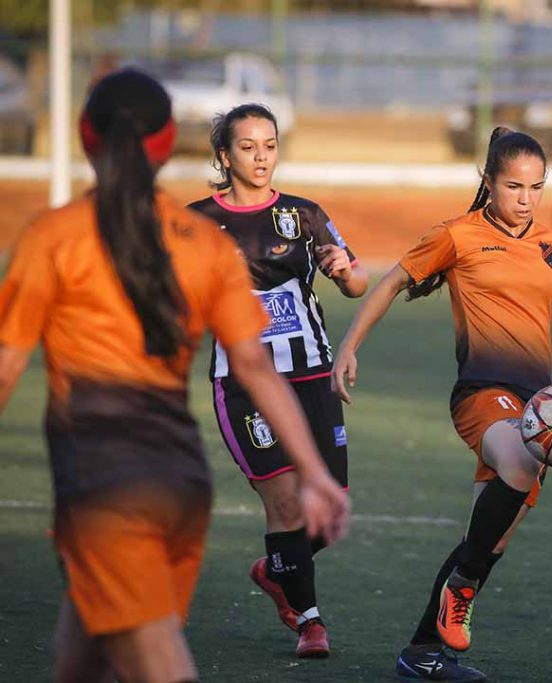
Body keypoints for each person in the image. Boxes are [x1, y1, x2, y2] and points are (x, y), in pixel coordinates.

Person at [0, 69, 350, 683]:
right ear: (170, 145)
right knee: (83, 652)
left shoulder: (52, 237)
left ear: (86, 138)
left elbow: (7, 363)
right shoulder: (200, 241)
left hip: (104, 478)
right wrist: (317, 475)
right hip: (181, 480)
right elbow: (251, 365)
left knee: (152, 655)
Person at [331, 126, 552, 682]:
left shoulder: (548, 243)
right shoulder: (458, 235)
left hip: (537, 408)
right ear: (488, 182)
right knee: (515, 467)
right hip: (482, 394)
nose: (526, 198)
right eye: (514, 186)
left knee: (487, 535)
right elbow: (393, 281)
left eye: (536, 187)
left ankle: (421, 653)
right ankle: (462, 589)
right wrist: (348, 347)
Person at [188, 103, 368, 659]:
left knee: (329, 504)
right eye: (248, 146)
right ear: (224, 155)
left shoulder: (304, 214)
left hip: (311, 373)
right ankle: (310, 622)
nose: (262, 156)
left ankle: (278, 569)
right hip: (242, 383)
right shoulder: (194, 222)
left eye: (269, 145)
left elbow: (358, 282)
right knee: (288, 502)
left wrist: (343, 269)